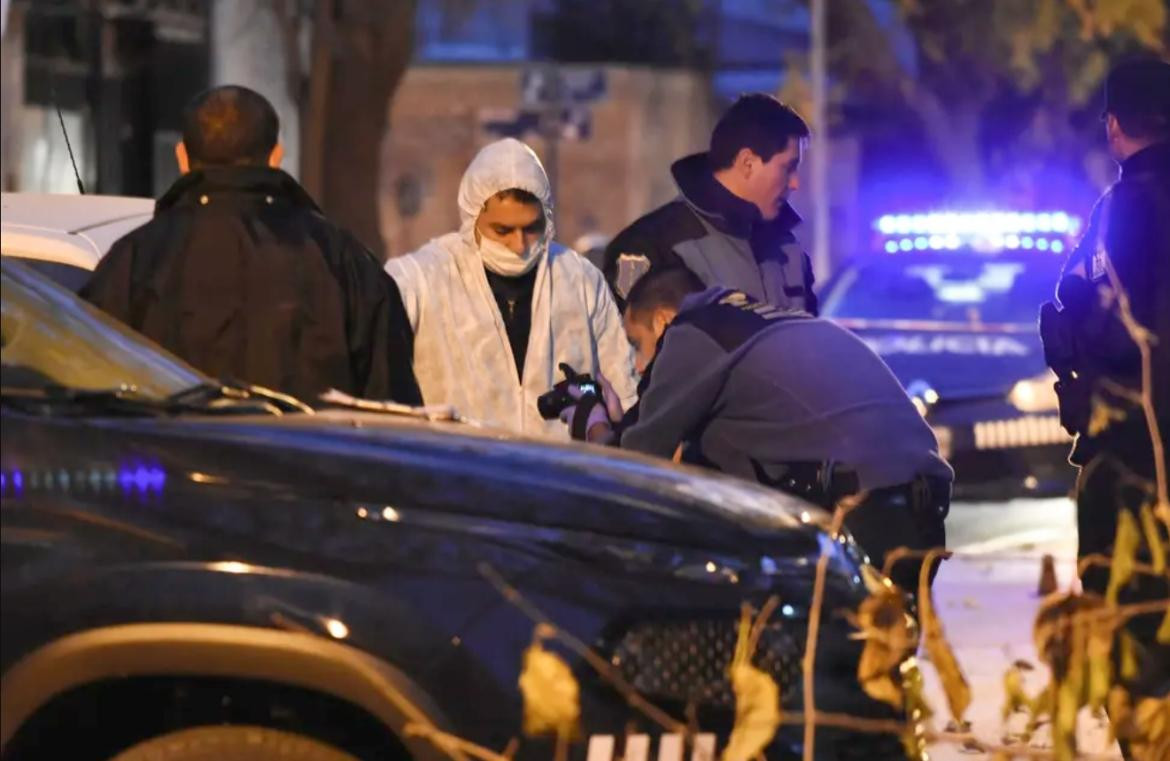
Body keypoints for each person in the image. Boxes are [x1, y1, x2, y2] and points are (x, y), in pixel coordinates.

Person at [565, 267, 953, 594]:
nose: (636, 364)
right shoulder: (763, 324)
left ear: (663, 321)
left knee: (818, 667)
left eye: (637, 344)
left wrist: (593, 422)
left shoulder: (694, 330)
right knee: (884, 672)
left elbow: (634, 464)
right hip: (921, 510)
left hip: (863, 517)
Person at [81, 85, 421, 405]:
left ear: (182, 158)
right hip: (307, 465)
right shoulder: (345, 263)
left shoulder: (132, 261)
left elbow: (85, 388)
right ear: (276, 157)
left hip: (169, 464)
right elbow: (392, 410)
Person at [1040, 58, 1170, 729]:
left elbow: (1069, 316)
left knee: (1131, 639)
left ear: (1115, 126)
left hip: (1128, 461)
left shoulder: (1117, 211)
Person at [385, 138, 637, 439]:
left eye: (531, 228)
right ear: (472, 216)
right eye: (502, 230)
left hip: (559, 477)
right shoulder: (418, 280)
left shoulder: (580, 280)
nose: (519, 245)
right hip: (452, 473)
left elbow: (622, 388)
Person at [603, 93, 817, 313]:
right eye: (788, 168)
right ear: (748, 163)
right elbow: (627, 342)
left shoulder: (789, 250)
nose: (795, 183)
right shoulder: (649, 246)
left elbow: (810, 340)